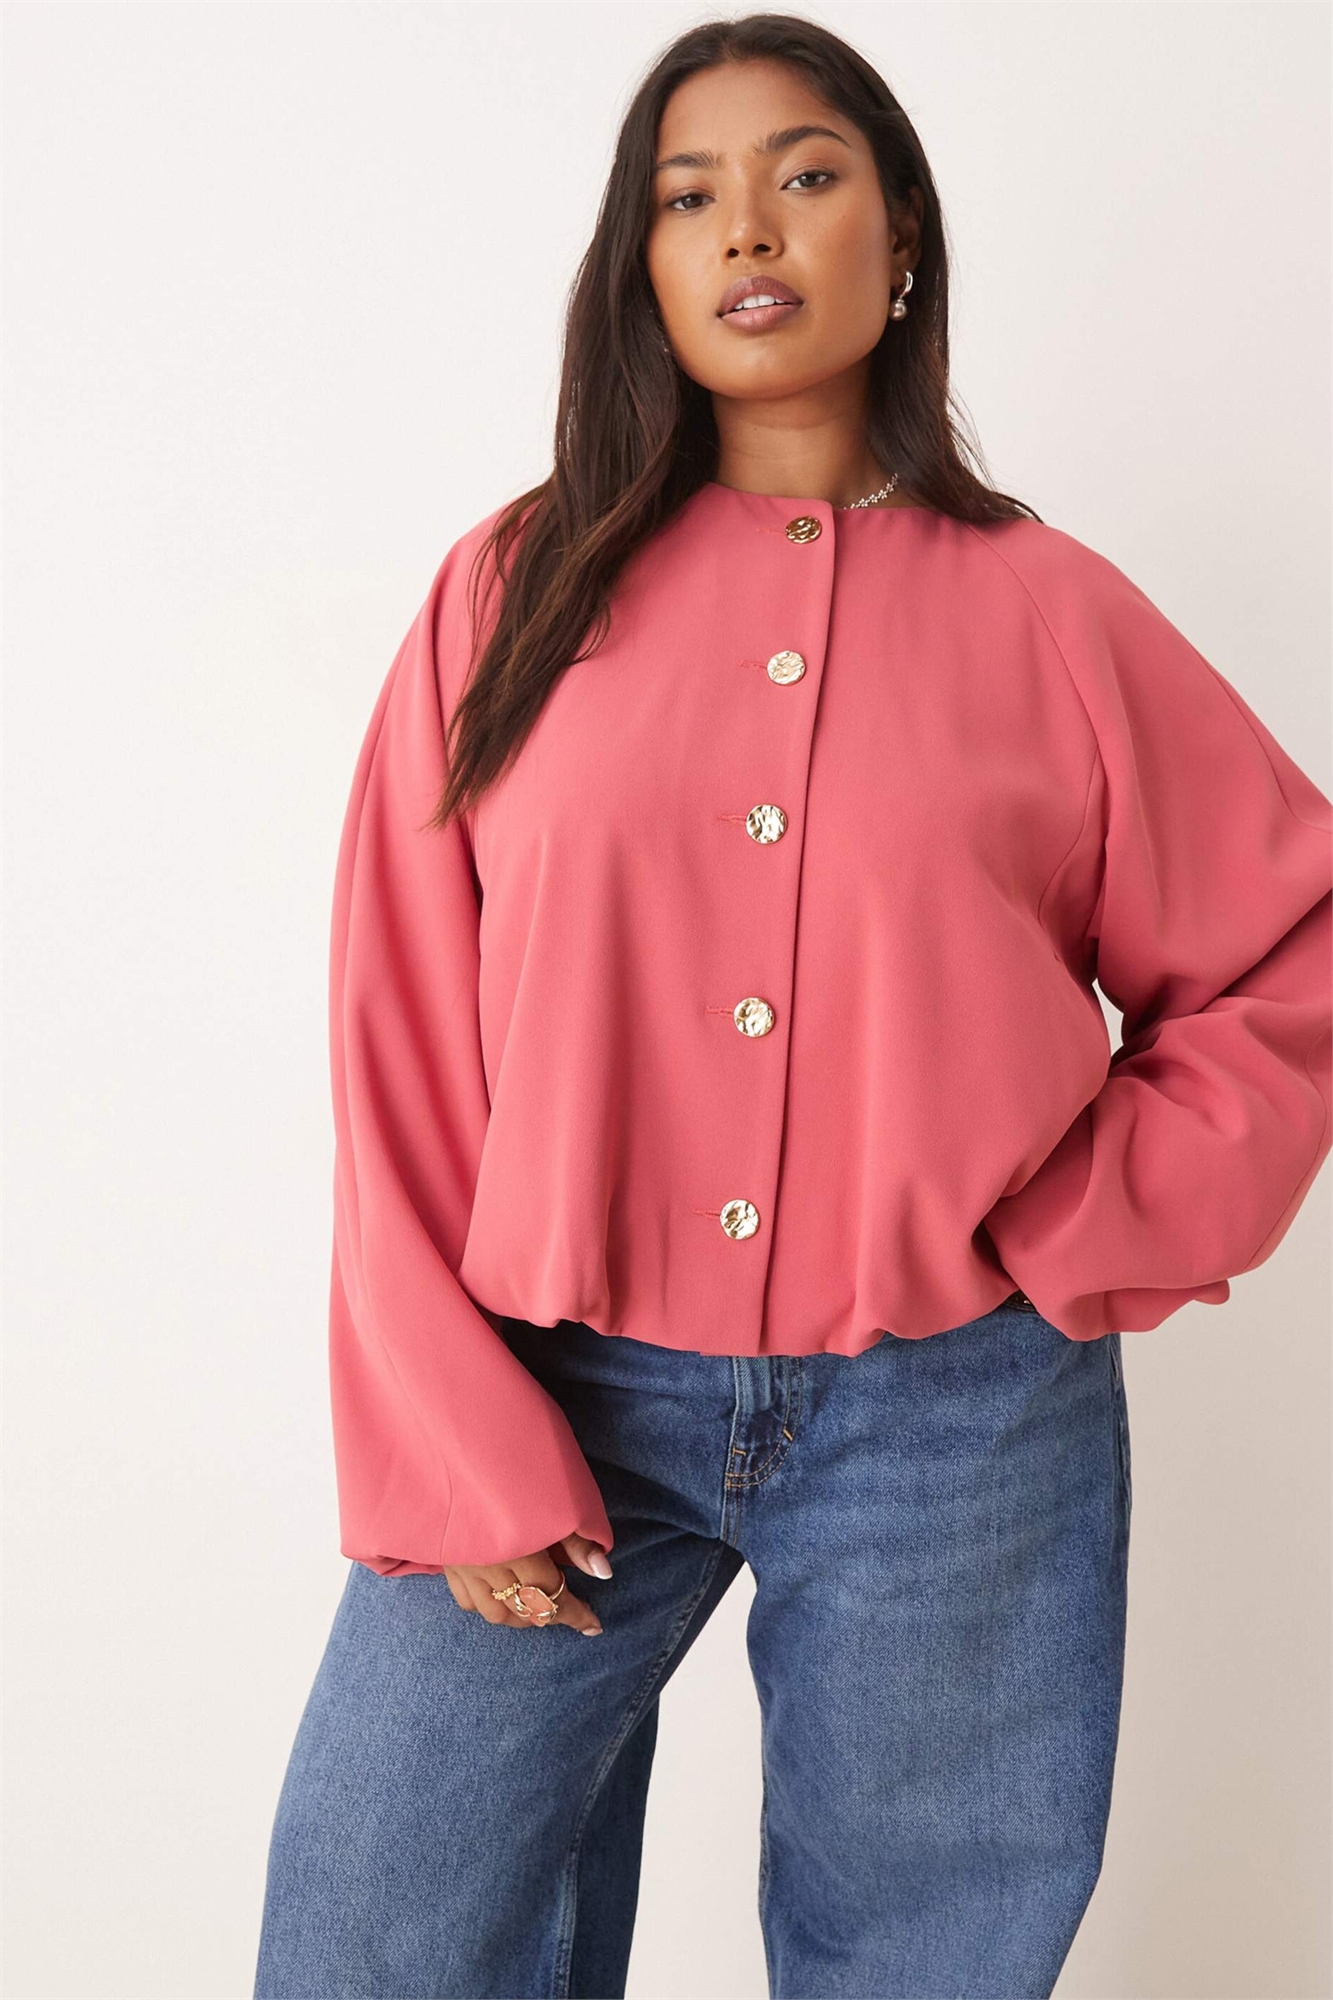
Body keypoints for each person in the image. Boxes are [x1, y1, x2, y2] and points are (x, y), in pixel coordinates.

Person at [252, 14, 1332, 1999]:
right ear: (641, 265)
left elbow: (1292, 940)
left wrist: (1088, 1221)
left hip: (956, 1414)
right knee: (374, 1934)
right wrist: (443, 1427)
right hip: (552, 1383)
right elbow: (396, 1029)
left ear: (898, 234)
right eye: (690, 196)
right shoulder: (513, 592)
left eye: (806, 175)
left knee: (921, 1963)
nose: (748, 226)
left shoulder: (1053, 614)